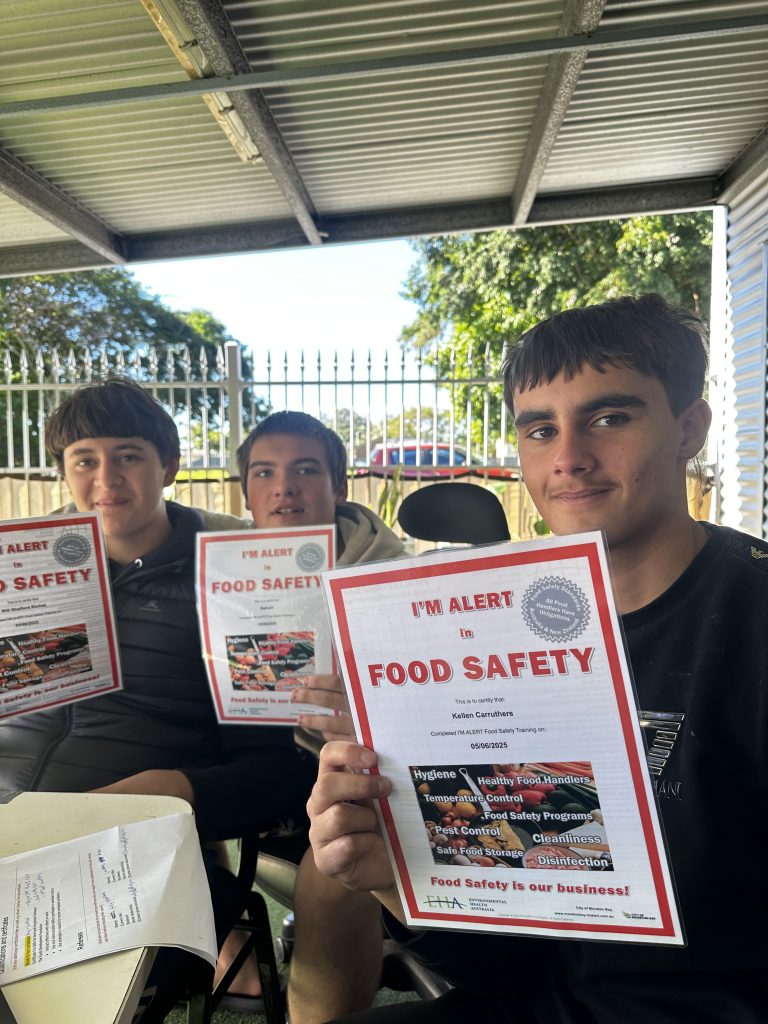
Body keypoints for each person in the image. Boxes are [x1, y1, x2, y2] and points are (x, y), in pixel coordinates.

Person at [306, 294, 768, 1023]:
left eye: (609, 418)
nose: (569, 459)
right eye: (540, 429)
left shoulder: (750, 619)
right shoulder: (484, 640)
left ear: (690, 428)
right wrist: (400, 879)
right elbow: (518, 968)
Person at [0, 378, 318, 1019]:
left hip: (120, 849)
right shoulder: (26, 568)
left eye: (128, 456)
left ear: (168, 466)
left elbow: (282, 773)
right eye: (84, 460)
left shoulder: (238, 585)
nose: (105, 479)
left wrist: (173, 791)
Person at [233, 410, 405, 1024]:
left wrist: (368, 718)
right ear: (246, 493)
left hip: (361, 774)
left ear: (338, 487)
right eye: (265, 473)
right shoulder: (220, 571)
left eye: (305, 470)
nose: (284, 488)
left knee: (334, 871)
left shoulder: (395, 579)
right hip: (251, 769)